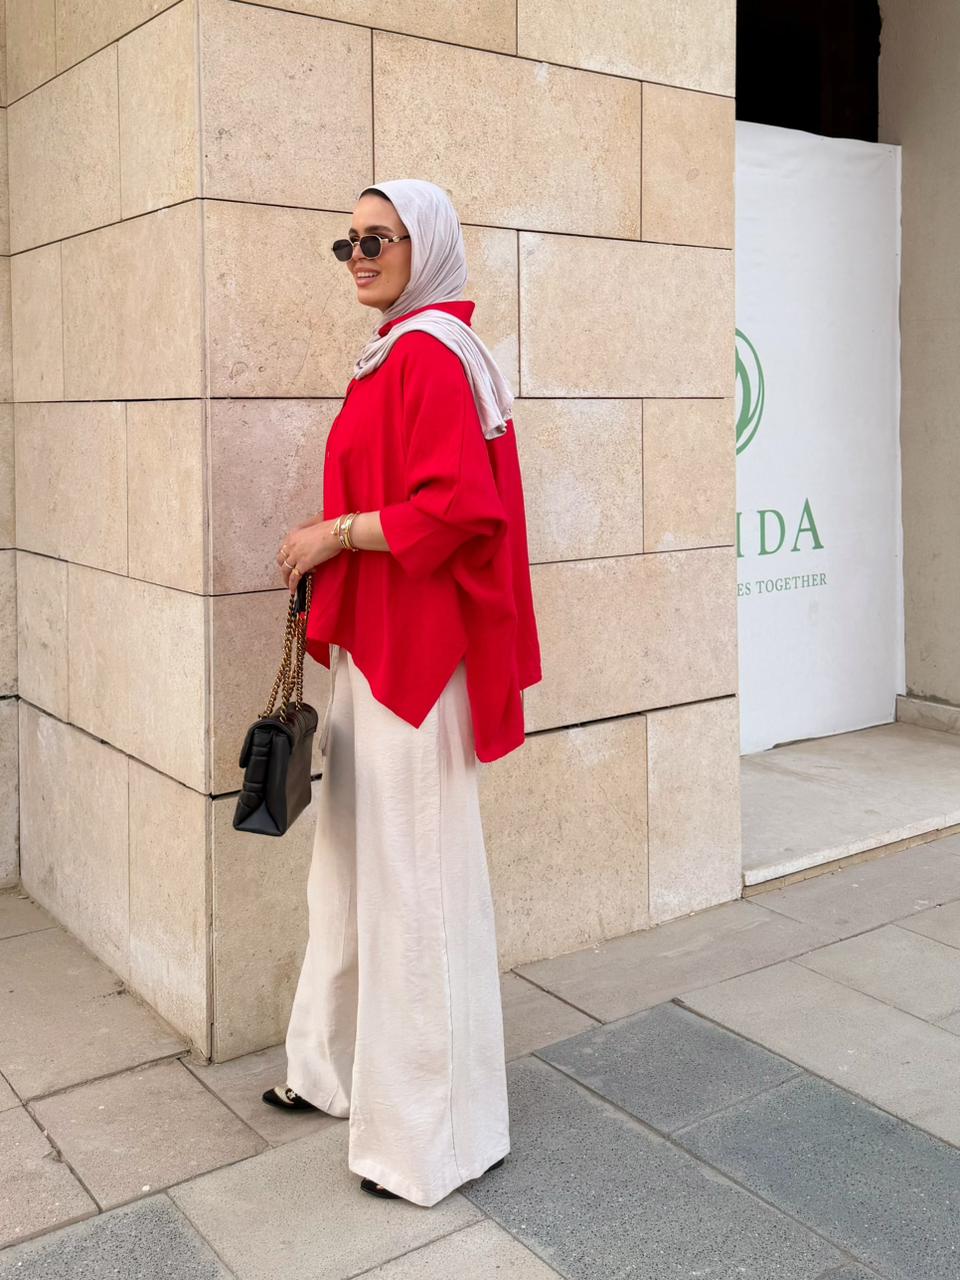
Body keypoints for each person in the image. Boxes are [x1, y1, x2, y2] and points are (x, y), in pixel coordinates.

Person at [262, 178, 541, 1207]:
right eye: (348, 239)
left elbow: (453, 508)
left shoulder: (430, 352)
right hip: (380, 651)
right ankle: (328, 1066)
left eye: (379, 237)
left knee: (411, 880)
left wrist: (328, 535)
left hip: (416, 659)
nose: (360, 253)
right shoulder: (394, 350)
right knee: (347, 866)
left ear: (426, 246)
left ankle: (427, 1136)